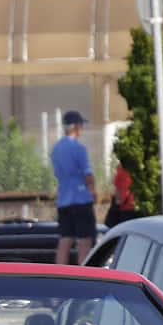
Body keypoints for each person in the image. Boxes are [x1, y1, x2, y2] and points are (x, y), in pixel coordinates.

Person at [50, 110, 98, 264]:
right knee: (84, 242)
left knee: (65, 240)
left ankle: (59, 273)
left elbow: (57, 173)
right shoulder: (79, 149)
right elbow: (87, 174)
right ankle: (83, 273)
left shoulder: (56, 149)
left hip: (64, 199)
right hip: (81, 199)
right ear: (77, 127)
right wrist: (93, 190)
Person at [104, 159, 138, 229]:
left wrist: (116, 205)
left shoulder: (122, 168)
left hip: (126, 209)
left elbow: (118, 190)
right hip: (132, 207)